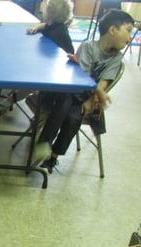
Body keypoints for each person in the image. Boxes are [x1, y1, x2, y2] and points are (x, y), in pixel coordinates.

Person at [34, 10, 134, 172]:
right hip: (68, 91)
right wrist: (98, 93)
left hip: (85, 99)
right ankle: (44, 143)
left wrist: (92, 99)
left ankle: (53, 156)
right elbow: (81, 80)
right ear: (113, 30)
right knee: (65, 103)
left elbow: (103, 83)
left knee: (74, 117)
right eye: (128, 30)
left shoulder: (116, 58)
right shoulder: (88, 46)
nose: (130, 37)